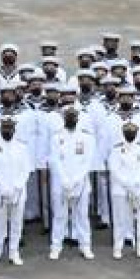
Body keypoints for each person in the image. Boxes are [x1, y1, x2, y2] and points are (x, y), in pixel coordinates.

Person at [0, 115, 33, 266]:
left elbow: (26, 170)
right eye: (4, 127)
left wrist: (16, 187)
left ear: (14, 129)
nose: (7, 130)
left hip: (18, 193)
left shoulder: (22, 148)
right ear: (0, 129)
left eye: (10, 127)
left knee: (17, 224)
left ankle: (14, 252)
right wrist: (3, 188)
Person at [48, 106, 95, 260]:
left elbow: (87, 161)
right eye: (68, 116)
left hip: (80, 182)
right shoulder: (56, 137)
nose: (71, 119)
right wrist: (64, 179)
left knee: (82, 216)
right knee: (59, 216)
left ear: (78, 118)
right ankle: (56, 247)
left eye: (73, 116)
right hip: (60, 183)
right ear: (63, 118)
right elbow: (54, 160)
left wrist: (76, 179)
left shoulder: (86, 137)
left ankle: (85, 246)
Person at [107, 121, 140, 258]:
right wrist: (127, 183)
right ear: (123, 134)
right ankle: (118, 247)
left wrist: (135, 182)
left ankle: (138, 245)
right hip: (120, 189)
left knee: (137, 219)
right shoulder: (116, 149)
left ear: (136, 134)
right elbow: (113, 168)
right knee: (119, 218)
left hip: (138, 188)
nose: (130, 135)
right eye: (128, 132)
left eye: (132, 133)